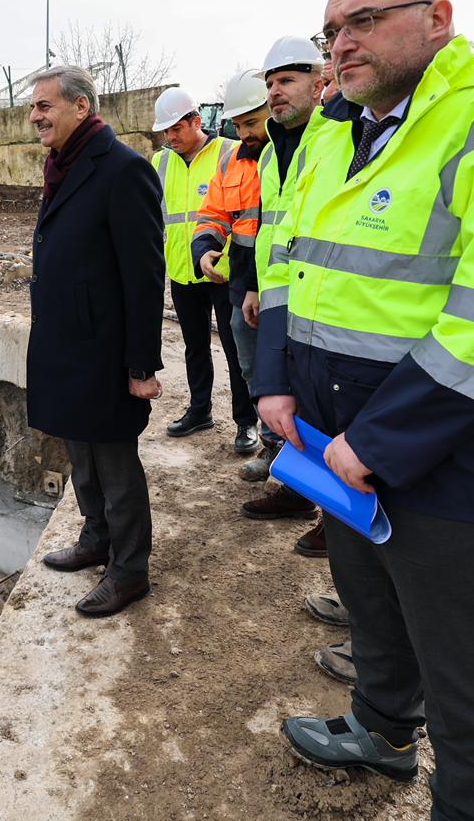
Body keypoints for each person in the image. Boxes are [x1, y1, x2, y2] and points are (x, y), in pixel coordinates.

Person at [255, 0, 474, 820]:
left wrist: (378, 445)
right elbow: (292, 263)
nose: (342, 43)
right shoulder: (337, 134)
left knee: (464, 666)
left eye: (364, 20)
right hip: (331, 440)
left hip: (449, 461)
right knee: (372, 612)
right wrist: (274, 382)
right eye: (333, 28)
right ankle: (382, 732)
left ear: (438, 17)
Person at [26, 64, 165, 618]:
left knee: (114, 461)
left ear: (81, 107)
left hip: (105, 349)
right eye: (33, 107)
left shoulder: (122, 169)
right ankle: (95, 538)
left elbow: (144, 275)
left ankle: (130, 570)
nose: (36, 116)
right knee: (78, 446)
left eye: (45, 105)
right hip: (66, 343)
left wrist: (140, 364)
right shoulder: (62, 164)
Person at [236, 37, 336, 558]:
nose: (276, 93)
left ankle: (334, 513)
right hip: (282, 296)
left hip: (325, 299)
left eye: (288, 81)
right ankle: (303, 492)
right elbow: (275, 230)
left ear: (320, 82)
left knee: (328, 409)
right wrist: (257, 287)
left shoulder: (338, 135)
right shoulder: (274, 150)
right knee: (294, 401)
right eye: (270, 84)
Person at [149, 88, 260, 451]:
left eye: (176, 128)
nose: (171, 137)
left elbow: (244, 212)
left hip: (224, 271)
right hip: (182, 270)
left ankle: (246, 422)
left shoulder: (229, 153)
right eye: (165, 132)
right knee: (195, 346)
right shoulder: (159, 163)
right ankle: (200, 411)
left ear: (197, 121)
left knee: (234, 348)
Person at [187, 71, 270, 466]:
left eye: (251, 122)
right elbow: (215, 214)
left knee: (297, 378)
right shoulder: (233, 161)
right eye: (238, 125)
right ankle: (273, 448)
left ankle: (302, 466)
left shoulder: (297, 155)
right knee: (255, 369)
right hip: (244, 288)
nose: (244, 133)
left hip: (287, 287)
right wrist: (205, 248)